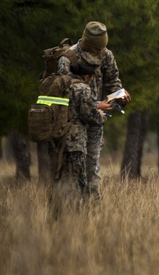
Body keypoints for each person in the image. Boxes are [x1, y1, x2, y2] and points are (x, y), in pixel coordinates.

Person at [56, 20, 130, 201]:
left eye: (103, 48)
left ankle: (92, 214)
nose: (100, 53)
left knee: (92, 168)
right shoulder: (68, 58)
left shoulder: (106, 55)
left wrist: (120, 97)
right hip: (71, 124)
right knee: (73, 169)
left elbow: (113, 83)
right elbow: (63, 95)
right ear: (86, 43)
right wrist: (95, 105)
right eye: (97, 49)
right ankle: (69, 212)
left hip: (96, 121)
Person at [52, 57, 104, 210]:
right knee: (77, 182)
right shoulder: (83, 88)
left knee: (60, 179)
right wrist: (100, 114)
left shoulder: (62, 85)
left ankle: (57, 213)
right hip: (75, 142)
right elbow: (90, 116)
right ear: (86, 76)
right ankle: (74, 215)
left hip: (58, 140)